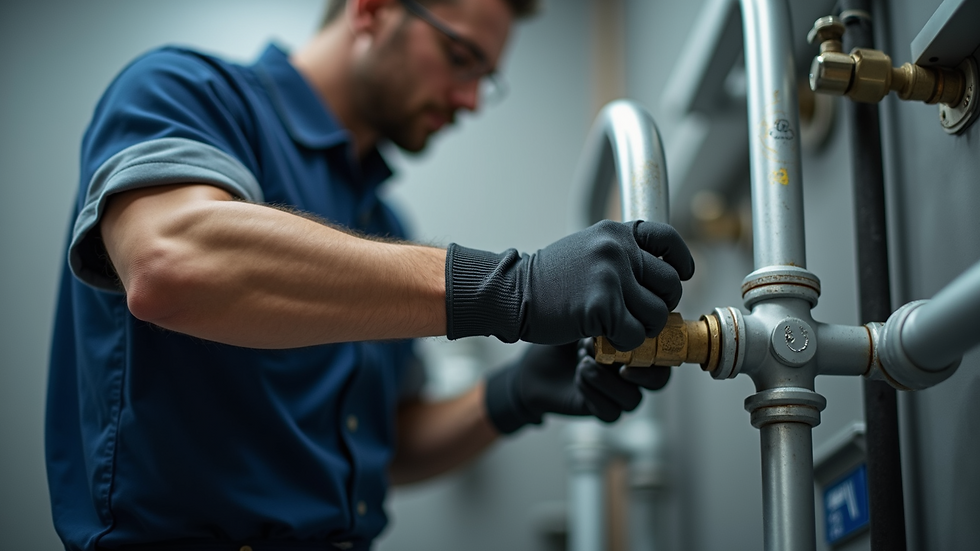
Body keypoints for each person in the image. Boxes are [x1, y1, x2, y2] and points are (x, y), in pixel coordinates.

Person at [45, 0, 695, 549]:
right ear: (372, 10)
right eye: (461, 57)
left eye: (485, 78)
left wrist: (517, 391)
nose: (470, 100)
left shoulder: (378, 217)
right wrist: (512, 288)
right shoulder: (186, 91)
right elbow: (172, 262)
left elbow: (389, 441)